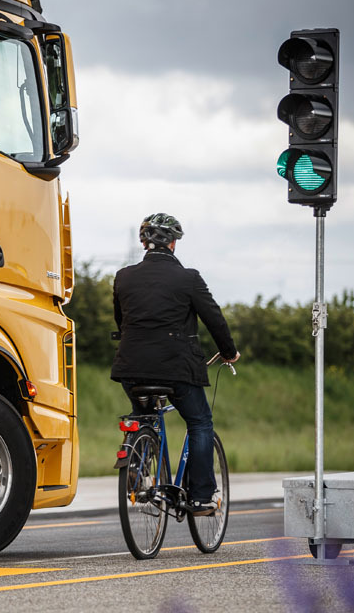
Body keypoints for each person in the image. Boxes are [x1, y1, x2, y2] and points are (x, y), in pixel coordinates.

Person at [111, 212, 239, 516]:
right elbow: (215, 320)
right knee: (199, 422)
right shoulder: (189, 278)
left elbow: (122, 321)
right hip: (177, 369)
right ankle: (201, 497)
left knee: (144, 415)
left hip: (131, 365)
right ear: (173, 243)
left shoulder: (123, 276)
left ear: (143, 242)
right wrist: (229, 352)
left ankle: (139, 462)